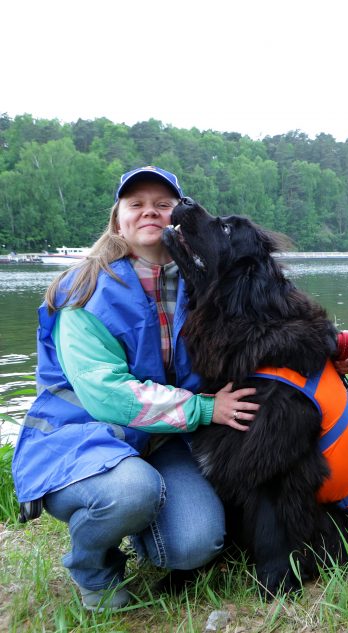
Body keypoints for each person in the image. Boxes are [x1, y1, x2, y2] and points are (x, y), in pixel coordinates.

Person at [11, 166, 259, 610]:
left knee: (196, 544)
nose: (151, 212)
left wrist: (328, 352)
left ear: (178, 219)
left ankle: (146, 526)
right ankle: (94, 567)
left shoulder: (200, 281)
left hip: (160, 442)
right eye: (137, 204)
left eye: (163, 205)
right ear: (118, 218)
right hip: (80, 440)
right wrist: (204, 409)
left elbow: (256, 338)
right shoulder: (84, 289)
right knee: (132, 492)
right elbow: (107, 394)